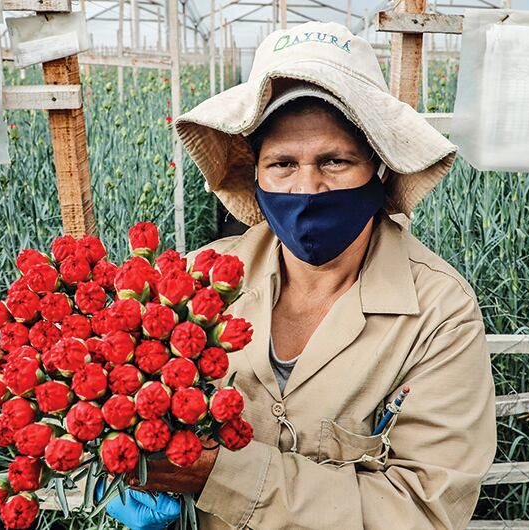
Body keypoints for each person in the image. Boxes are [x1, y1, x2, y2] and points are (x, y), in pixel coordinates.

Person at [102, 20, 497, 530]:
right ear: (255, 172)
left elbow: (423, 510)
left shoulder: (439, 312)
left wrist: (218, 474)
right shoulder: (197, 283)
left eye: (335, 161)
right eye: (283, 164)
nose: (308, 189)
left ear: (378, 167)